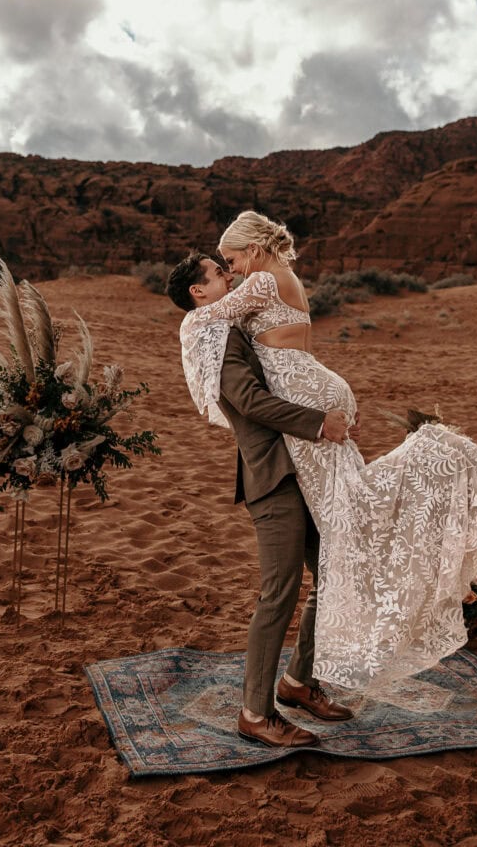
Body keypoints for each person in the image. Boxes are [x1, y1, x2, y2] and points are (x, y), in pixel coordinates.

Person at [178, 211, 477, 692]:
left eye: (231, 260)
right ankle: (300, 681)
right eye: (222, 268)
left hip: (313, 416)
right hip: (313, 406)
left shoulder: (261, 283)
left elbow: (202, 320)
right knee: (342, 541)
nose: (229, 272)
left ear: (253, 249)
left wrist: (192, 321)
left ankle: (438, 459)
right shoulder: (276, 279)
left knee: (350, 524)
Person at [166, 253, 354, 749]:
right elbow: (247, 400)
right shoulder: (213, 334)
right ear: (198, 292)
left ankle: (298, 681)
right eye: (218, 273)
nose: (230, 276)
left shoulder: (232, 326)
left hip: (301, 467)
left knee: (332, 570)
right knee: (280, 593)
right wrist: (319, 423)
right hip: (272, 475)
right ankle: (255, 712)